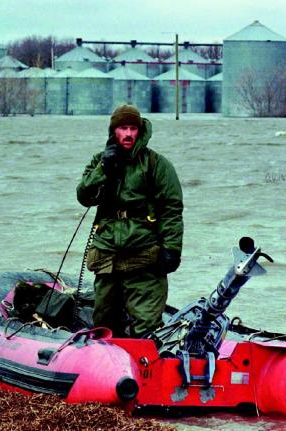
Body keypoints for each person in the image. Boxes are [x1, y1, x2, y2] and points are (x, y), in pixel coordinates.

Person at [76, 105, 183, 338]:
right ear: (113, 131)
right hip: (107, 256)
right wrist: (104, 168)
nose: (128, 134)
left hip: (143, 257)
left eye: (133, 128)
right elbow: (84, 197)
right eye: (122, 128)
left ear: (140, 131)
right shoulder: (100, 161)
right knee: (104, 324)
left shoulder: (156, 164)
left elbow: (172, 210)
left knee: (146, 327)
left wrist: (172, 250)